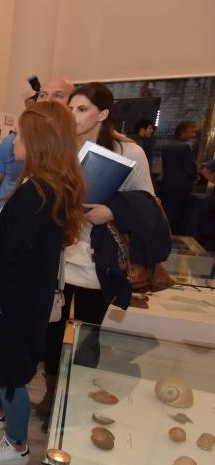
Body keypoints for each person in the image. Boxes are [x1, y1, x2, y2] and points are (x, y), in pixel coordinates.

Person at [0, 101, 85, 465]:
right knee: (2, 362)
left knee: (12, 374)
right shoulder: (50, 187)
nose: (12, 140)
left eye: (19, 133)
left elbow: (15, 263)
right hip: (27, 300)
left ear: (38, 141)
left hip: (16, 304)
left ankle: (16, 445)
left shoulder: (35, 195)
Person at [41, 82, 154, 420]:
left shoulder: (129, 153)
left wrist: (112, 211)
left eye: (82, 109)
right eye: (70, 108)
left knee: (88, 334)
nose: (72, 116)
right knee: (52, 328)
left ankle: (73, 399)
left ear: (103, 114)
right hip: (61, 257)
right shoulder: (61, 148)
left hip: (99, 260)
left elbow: (148, 202)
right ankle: (52, 394)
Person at [159, 120, 199, 234]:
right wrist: (195, 176)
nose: (193, 135)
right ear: (182, 132)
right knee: (177, 217)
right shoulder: (184, 147)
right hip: (180, 187)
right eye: (191, 132)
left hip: (167, 185)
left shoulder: (167, 146)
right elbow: (190, 167)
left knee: (166, 214)